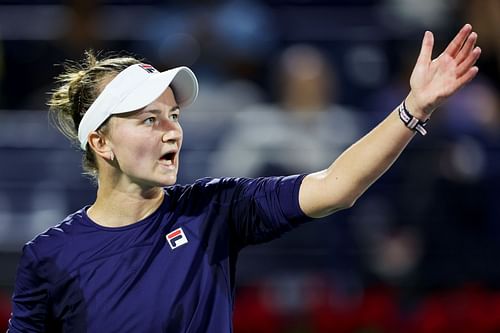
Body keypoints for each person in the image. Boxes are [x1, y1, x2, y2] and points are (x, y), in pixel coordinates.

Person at [8, 24, 480, 332]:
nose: (173, 130)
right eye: (149, 120)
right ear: (101, 143)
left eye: (173, 115)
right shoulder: (49, 257)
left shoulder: (212, 210)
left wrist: (412, 109)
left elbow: (336, 186)